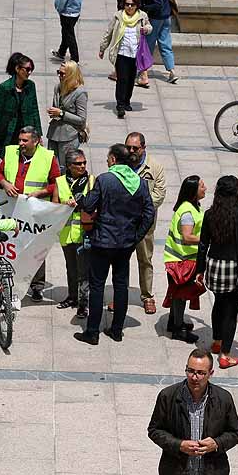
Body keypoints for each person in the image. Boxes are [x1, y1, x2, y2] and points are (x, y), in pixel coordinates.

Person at [74, 144, 156, 345]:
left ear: (113, 159)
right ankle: (117, 329)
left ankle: (92, 332)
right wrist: (137, 235)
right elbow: (149, 212)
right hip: (125, 243)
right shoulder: (140, 182)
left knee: (97, 285)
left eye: (108, 157)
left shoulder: (105, 179)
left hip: (103, 241)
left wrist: (80, 199)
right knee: (121, 285)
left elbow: (89, 204)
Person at [195, 176, 238, 369]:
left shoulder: (210, 214)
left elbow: (203, 244)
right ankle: (225, 355)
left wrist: (200, 269)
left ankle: (216, 341)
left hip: (214, 265)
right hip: (236, 267)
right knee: (231, 312)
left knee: (219, 303)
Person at [0, 126, 60, 300]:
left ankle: (37, 285)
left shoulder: (48, 157)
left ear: (36, 141)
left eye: (25, 140)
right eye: (20, 140)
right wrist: (5, 184)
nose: (21, 144)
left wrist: (41, 192)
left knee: (36, 247)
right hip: (12, 209)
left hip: (34, 213)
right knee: (10, 243)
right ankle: (6, 279)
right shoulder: (10, 152)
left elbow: (57, 183)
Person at [126, 133, 168, 316]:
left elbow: (159, 193)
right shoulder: (121, 164)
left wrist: (141, 208)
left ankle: (147, 296)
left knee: (145, 259)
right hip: (124, 223)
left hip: (145, 223)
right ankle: (121, 294)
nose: (131, 151)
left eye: (135, 148)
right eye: (128, 147)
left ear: (143, 147)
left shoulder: (155, 167)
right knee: (121, 260)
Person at [165, 176, 207, 343]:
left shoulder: (192, 207)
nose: (205, 188)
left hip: (181, 259)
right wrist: (207, 238)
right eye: (202, 186)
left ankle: (174, 321)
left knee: (177, 292)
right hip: (180, 261)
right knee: (181, 295)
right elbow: (187, 237)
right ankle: (178, 329)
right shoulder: (188, 212)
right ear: (193, 191)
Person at [100, 0, 153, 119]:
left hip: (135, 54)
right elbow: (109, 32)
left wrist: (146, 29)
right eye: (127, 4)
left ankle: (127, 101)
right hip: (121, 53)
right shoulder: (118, 16)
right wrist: (102, 48)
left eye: (132, 5)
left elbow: (150, 26)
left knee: (130, 80)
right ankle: (120, 105)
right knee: (122, 79)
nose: (129, 7)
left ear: (136, 6)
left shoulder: (142, 16)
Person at [56, 149, 94, 318]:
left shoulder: (91, 180)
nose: (82, 166)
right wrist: (65, 204)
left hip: (84, 232)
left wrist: (80, 203)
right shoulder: (60, 181)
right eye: (78, 164)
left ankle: (83, 304)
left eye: (84, 163)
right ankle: (72, 297)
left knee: (83, 270)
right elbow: (54, 205)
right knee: (70, 267)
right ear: (69, 166)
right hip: (66, 232)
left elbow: (95, 202)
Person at [0, 53, 41, 151]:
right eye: (27, 69)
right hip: (9, 131)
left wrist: (38, 134)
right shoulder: (4, 88)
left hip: (27, 131)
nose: (29, 73)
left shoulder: (31, 86)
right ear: (17, 69)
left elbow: (35, 109)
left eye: (31, 70)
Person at [46, 61, 88, 173]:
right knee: (52, 166)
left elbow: (82, 119)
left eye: (62, 73)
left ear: (71, 74)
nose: (59, 76)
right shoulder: (58, 87)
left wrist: (61, 114)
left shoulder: (80, 93)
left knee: (65, 167)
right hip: (54, 133)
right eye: (58, 72)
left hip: (69, 136)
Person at [144, 0, 179, 84]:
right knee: (165, 44)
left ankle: (143, 72)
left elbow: (157, 4)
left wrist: (145, 7)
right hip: (166, 17)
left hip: (156, 19)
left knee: (148, 45)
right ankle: (171, 71)